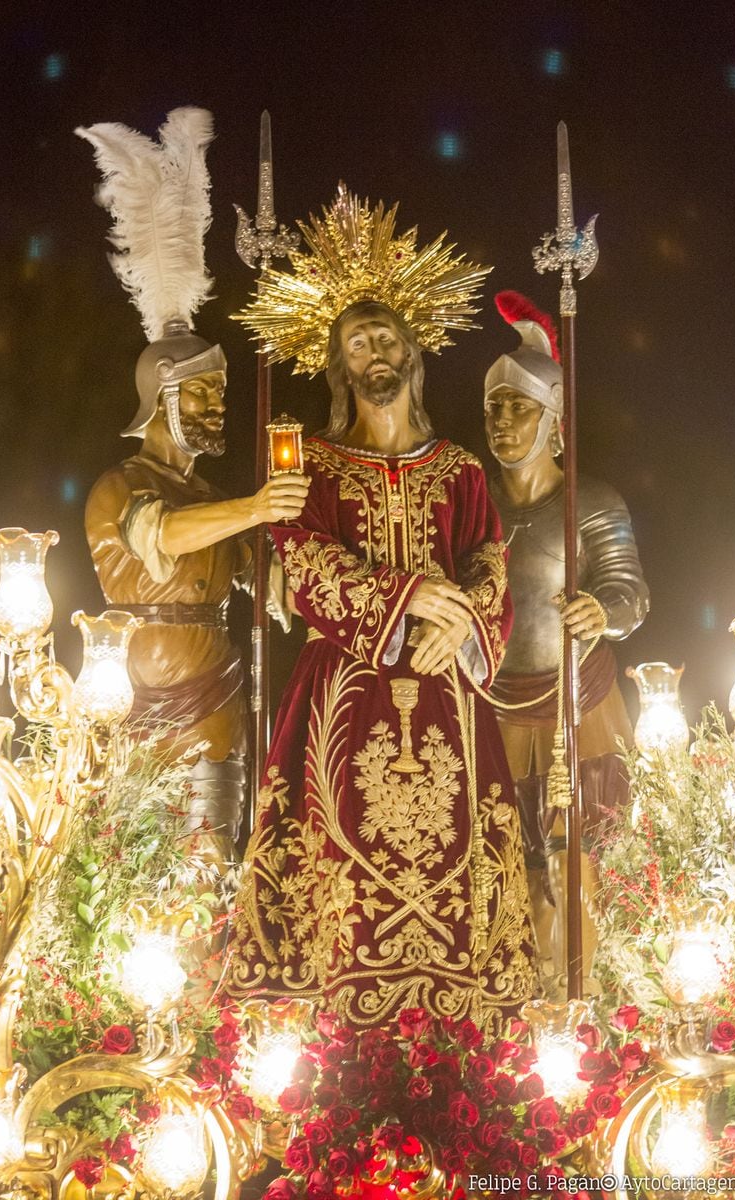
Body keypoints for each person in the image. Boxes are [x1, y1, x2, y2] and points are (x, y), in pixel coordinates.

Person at [226, 187, 537, 1030]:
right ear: (341, 365)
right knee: (334, 857)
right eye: (358, 340)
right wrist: (406, 599)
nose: (375, 349)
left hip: (446, 695)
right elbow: (301, 554)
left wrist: (460, 621)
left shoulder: (462, 468)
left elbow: (491, 565)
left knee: (461, 859)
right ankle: (326, 1040)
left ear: (412, 355)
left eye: (387, 336)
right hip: (343, 690)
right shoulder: (313, 463)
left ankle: (463, 1044)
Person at [78, 110, 308, 853]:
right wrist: (253, 507)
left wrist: (287, 555)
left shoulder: (217, 501)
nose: (216, 407)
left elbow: (262, 580)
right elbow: (162, 538)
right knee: (133, 872)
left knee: (214, 864)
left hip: (217, 703)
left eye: (219, 394)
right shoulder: (120, 486)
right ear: (160, 397)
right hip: (137, 698)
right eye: (201, 395)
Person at [484, 290, 649, 988]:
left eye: (519, 408)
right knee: (503, 863)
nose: (502, 421)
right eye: (493, 407)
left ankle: (592, 997)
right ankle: (516, 1005)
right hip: (493, 704)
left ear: (554, 420)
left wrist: (599, 612)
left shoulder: (595, 501)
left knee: (584, 861)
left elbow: (631, 591)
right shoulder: (473, 505)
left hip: (578, 705)